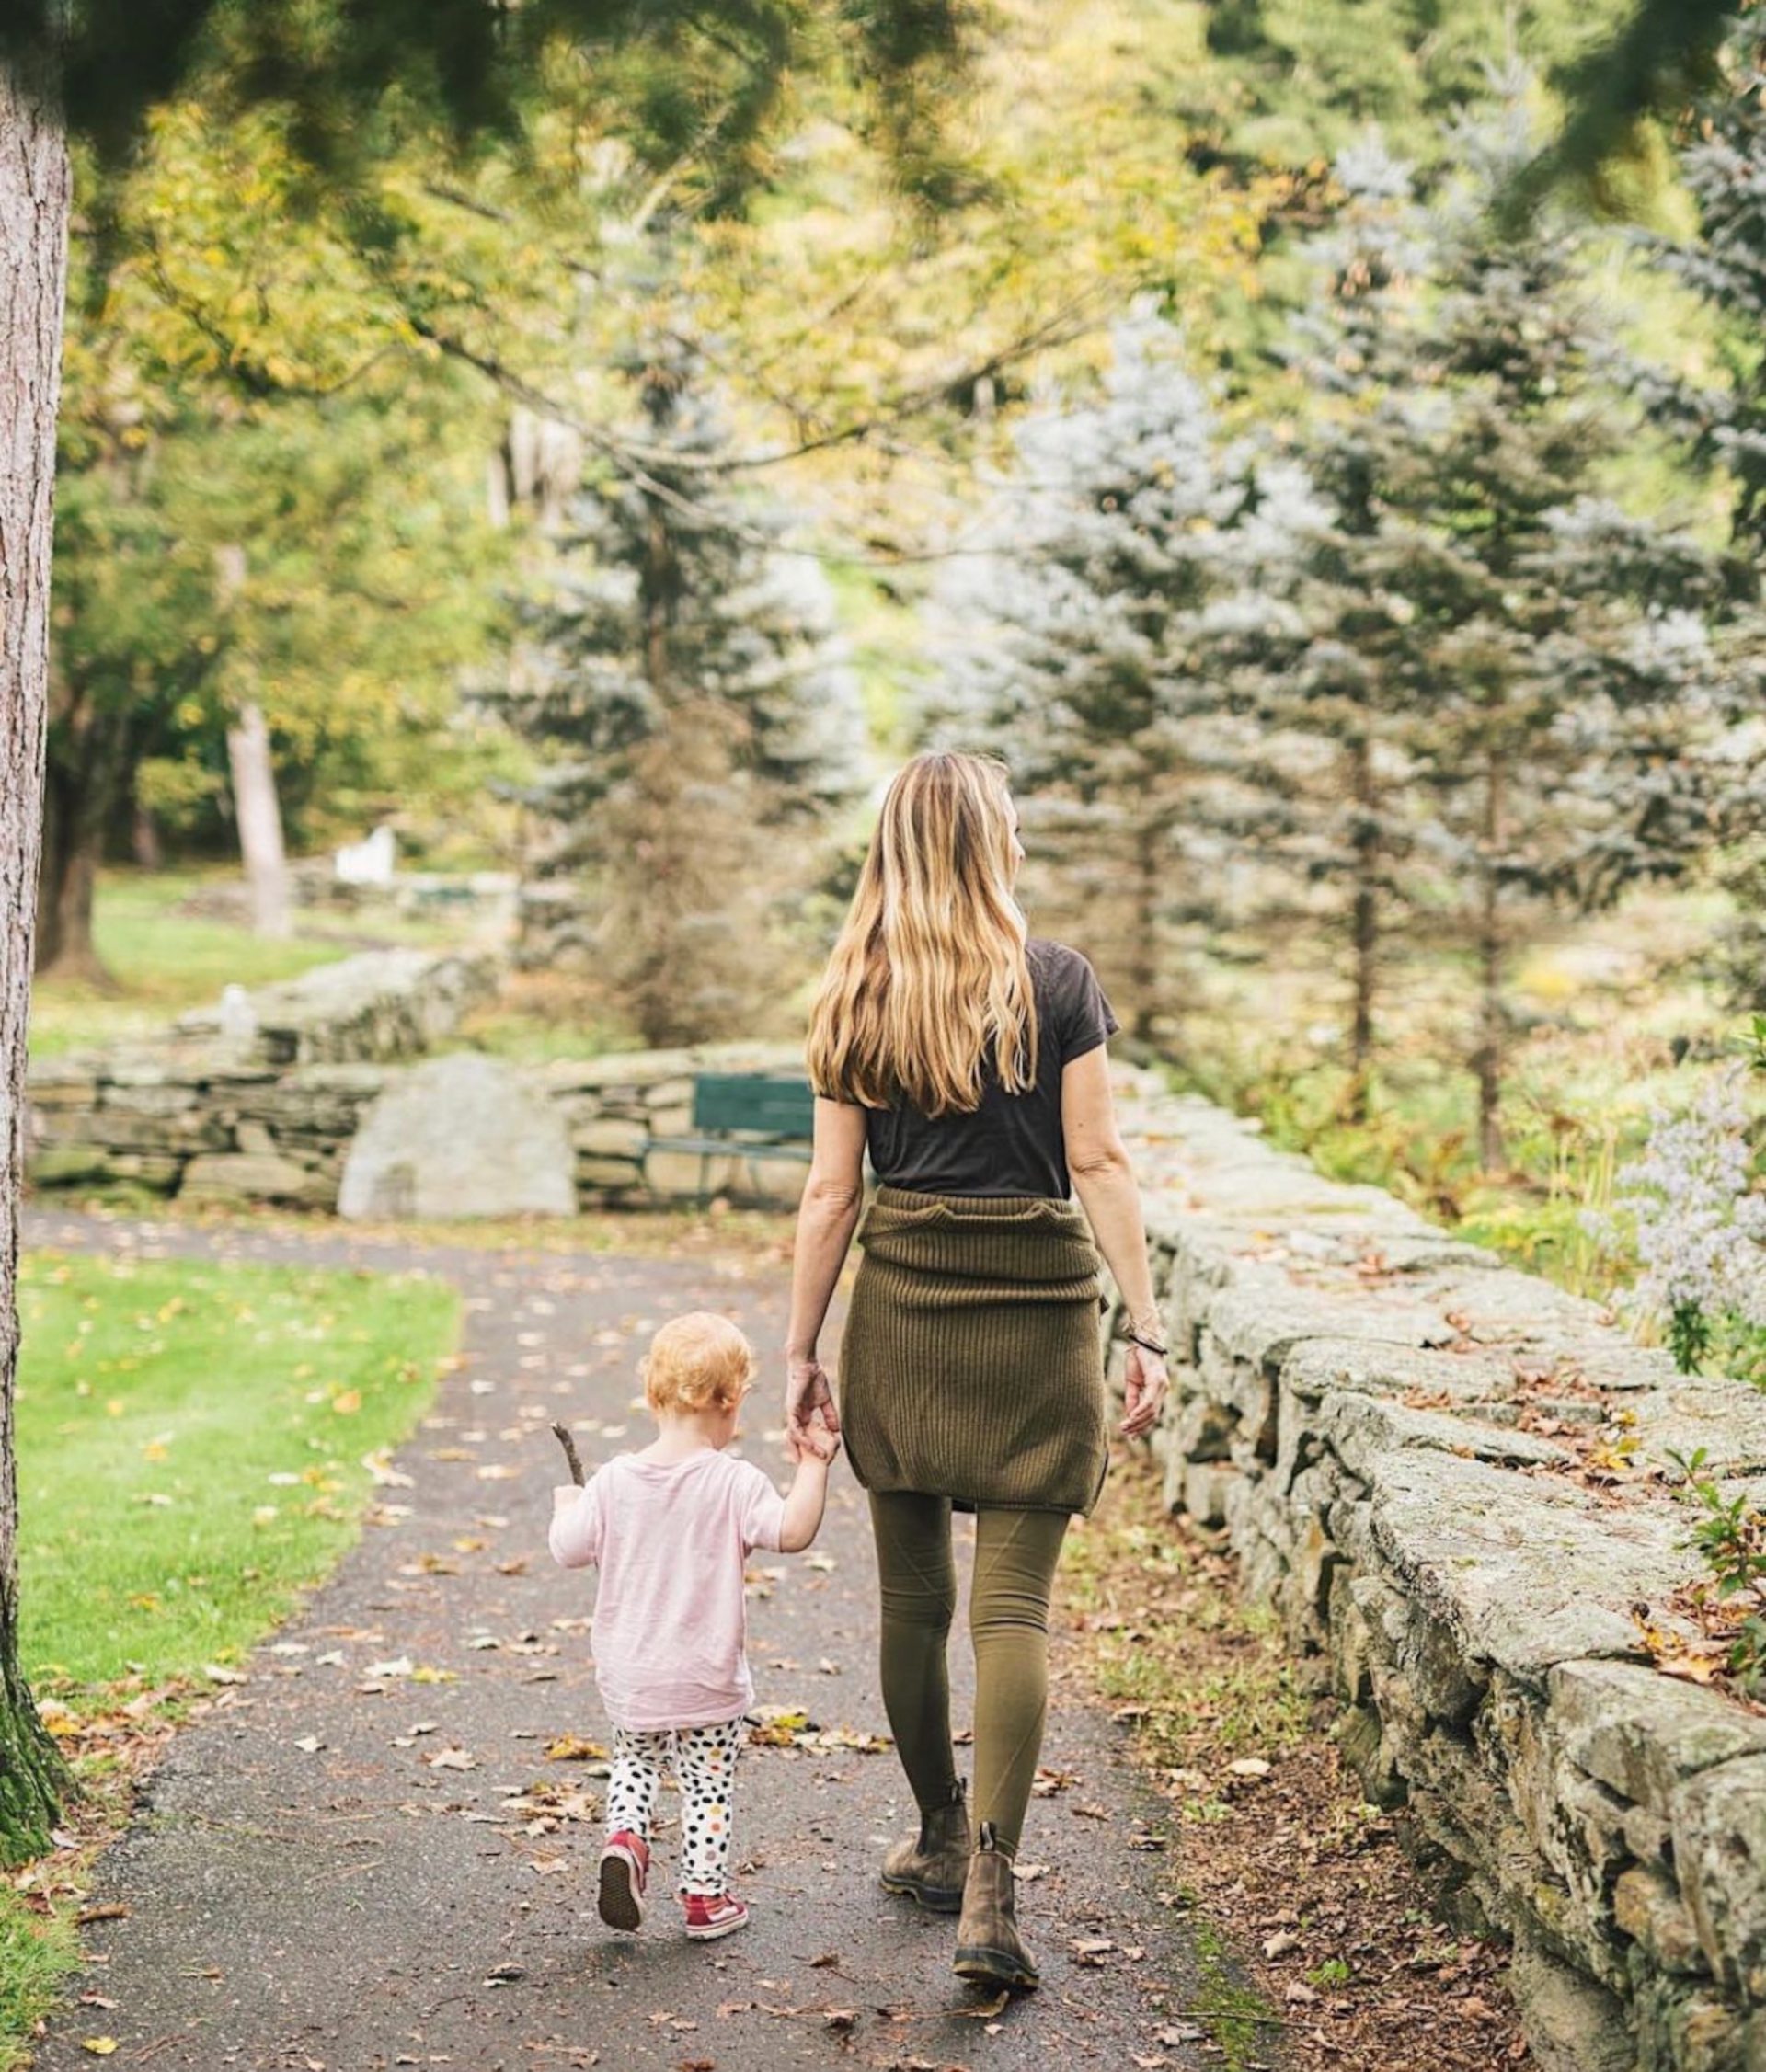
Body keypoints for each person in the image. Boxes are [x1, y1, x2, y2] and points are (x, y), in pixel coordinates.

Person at [785, 750, 1170, 1992]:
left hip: (902, 1302)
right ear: (992, 841)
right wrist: (1145, 1326)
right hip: (1039, 1307)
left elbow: (833, 1188)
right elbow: (1098, 1162)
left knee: (913, 1604)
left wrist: (799, 1347)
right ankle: (992, 1892)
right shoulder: (1057, 981)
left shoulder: (854, 988)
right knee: (1013, 1613)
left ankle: (942, 1830)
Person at [549, 1310, 836, 1942]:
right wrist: (814, 1464)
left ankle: (626, 1839)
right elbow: (791, 1531)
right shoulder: (734, 1482)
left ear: (651, 1393)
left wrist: (568, 1503)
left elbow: (568, 1549)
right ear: (729, 1402)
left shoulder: (613, 1481)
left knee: (634, 1761)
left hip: (632, 1674)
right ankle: (705, 1897)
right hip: (707, 1675)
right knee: (707, 1784)